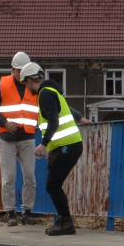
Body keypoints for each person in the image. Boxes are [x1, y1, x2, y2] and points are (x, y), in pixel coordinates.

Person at [24, 63, 82, 236]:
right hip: (65, 145)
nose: (27, 89)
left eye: (25, 85)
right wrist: (50, 147)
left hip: (68, 146)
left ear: (28, 81)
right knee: (53, 184)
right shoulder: (52, 91)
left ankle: (66, 223)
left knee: (52, 184)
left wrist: (42, 144)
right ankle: (64, 221)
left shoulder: (44, 94)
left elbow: (53, 121)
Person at [0, 55, 40, 224]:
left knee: (29, 176)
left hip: (27, 138)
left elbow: (52, 105)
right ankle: (10, 213)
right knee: (9, 177)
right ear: (12, 70)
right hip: (7, 139)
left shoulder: (35, 86)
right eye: (18, 71)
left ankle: (27, 212)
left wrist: (78, 117)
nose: (21, 74)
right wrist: (4, 123)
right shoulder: (4, 85)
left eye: (23, 71)